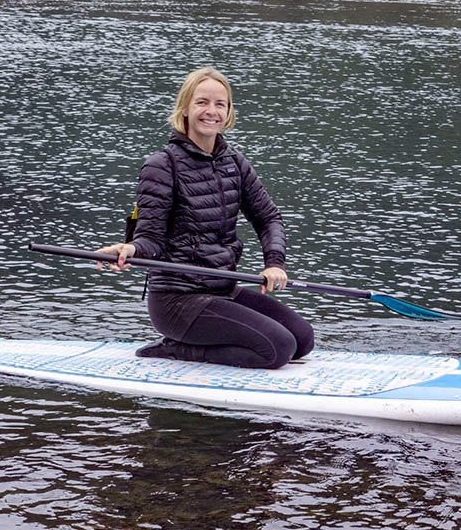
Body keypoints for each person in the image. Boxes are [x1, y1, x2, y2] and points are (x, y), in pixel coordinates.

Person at [96, 66, 314, 369]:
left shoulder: (234, 162)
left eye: (219, 104)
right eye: (202, 102)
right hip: (177, 301)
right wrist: (129, 249)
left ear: (228, 112)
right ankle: (177, 349)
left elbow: (269, 218)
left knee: (302, 340)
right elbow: (150, 239)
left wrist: (274, 262)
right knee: (278, 348)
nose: (210, 111)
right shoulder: (162, 165)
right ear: (185, 108)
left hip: (221, 289)